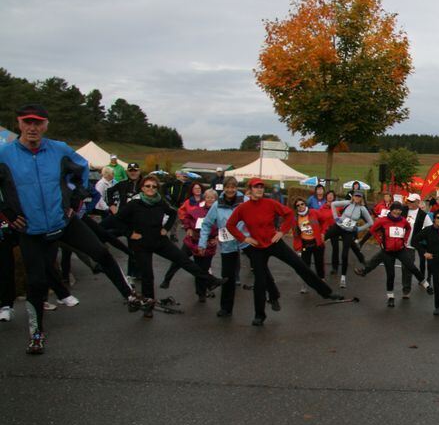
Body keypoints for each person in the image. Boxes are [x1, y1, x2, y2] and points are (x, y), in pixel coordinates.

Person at [0, 104, 138, 353]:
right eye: (27, 122)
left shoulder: (59, 149)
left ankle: (130, 295)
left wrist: (75, 201)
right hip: (31, 229)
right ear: (19, 123)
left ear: (46, 125)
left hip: (62, 220)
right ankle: (36, 334)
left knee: (101, 252)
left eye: (38, 122)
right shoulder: (5, 153)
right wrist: (7, 213)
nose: (33, 127)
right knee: (36, 282)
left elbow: (81, 171)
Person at [226, 177, 341, 326]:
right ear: (249, 190)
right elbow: (230, 225)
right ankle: (259, 315)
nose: (260, 189)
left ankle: (326, 292)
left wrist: (281, 232)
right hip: (257, 247)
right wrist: (244, 239)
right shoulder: (243, 208)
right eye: (256, 187)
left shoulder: (270, 203)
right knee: (260, 282)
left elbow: (289, 214)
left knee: (299, 265)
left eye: (261, 187)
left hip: (274, 242)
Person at [118, 174, 225, 317]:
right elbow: (117, 220)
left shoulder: (159, 202)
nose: (151, 189)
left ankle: (210, 281)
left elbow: (172, 213)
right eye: (147, 186)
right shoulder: (134, 204)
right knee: (148, 276)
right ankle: (148, 307)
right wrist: (129, 233)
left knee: (182, 259)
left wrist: (166, 228)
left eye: (154, 186)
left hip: (159, 240)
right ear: (142, 187)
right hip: (141, 243)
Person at [200, 177, 279, 318]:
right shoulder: (217, 205)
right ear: (223, 188)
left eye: (233, 187)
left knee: (261, 269)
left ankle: (273, 295)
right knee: (228, 276)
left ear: (237, 188)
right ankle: (226, 308)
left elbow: (261, 213)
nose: (230, 190)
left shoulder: (246, 201)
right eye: (227, 187)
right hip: (228, 243)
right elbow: (206, 224)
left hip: (247, 240)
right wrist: (202, 243)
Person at [355, 201, 428, 306]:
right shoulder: (385, 220)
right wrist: (379, 241)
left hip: (403, 248)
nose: (397, 211)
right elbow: (372, 230)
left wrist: (405, 240)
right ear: (391, 209)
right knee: (385, 268)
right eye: (395, 209)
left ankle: (408, 290)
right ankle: (389, 296)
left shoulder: (409, 218)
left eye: (399, 210)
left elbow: (409, 228)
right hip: (388, 249)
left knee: (408, 267)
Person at [328, 191, 371, 288]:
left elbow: (370, 222)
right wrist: (336, 217)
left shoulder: (362, 209)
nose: (357, 198)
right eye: (356, 196)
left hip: (348, 231)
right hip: (339, 226)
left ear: (362, 198)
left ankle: (343, 278)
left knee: (345, 254)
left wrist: (358, 229)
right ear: (353, 196)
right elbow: (333, 204)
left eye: (359, 196)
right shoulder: (348, 203)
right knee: (324, 237)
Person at [290, 196, 327, 282]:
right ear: (296, 208)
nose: (300, 206)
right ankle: (307, 282)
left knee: (319, 262)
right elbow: (295, 234)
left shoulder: (313, 212)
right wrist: (297, 247)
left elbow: (325, 221)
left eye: (302, 204)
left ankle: (322, 279)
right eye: (298, 205)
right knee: (305, 264)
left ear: (305, 204)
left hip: (317, 242)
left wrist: (323, 233)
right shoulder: (295, 218)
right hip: (305, 243)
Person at [401, 193, 430, 298]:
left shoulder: (423, 215)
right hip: (398, 243)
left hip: (411, 245)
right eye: (409, 201)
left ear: (418, 202)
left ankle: (406, 290)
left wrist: (422, 237)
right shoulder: (403, 210)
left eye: (412, 201)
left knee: (407, 268)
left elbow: (430, 229)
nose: (409, 203)